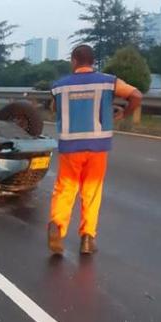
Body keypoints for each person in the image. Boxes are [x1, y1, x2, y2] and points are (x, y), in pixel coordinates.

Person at [48, 44, 142, 255]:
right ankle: (88, 239)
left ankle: (57, 228)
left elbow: (54, 108)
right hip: (98, 147)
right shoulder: (109, 82)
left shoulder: (59, 86)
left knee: (65, 189)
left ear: (74, 61)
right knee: (91, 192)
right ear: (92, 62)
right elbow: (137, 95)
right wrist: (124, 114)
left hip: (70, 147)